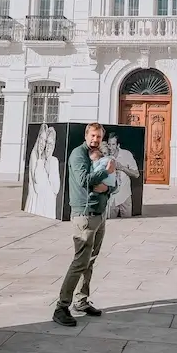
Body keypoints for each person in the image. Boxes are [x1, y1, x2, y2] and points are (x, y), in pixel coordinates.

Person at [53, 122, 116, 327]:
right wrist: (105, 172)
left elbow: (108, 185)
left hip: (99, 214)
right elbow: (83, 180)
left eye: (99, 137)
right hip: (84, 215)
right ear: (86, 135)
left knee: (91, 260)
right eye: (93, 136)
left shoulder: (98, 154)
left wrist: (105, 188)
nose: (95, 140)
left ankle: (81, 301)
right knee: (80, 261)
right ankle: (61, 307)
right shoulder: (78, 154)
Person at [24, 124, 61, 219]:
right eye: (46, 143)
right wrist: (40, 159)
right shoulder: (38, 159)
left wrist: (48, 163)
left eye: (50, 144)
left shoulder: (54, 161)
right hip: (39, 201)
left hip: (48, 202)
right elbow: (37, 182)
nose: (48, 147)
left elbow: (56, 188)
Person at [105, 132, 140, 219]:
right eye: (109, 144)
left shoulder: (127, 154)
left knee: (127, 222)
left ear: (118, 145)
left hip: (125, 196)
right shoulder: (104, 155)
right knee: (111, 223)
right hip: (110, 198)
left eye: (113, 144)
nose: (110, 147)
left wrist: (122, 168)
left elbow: (136, 174)